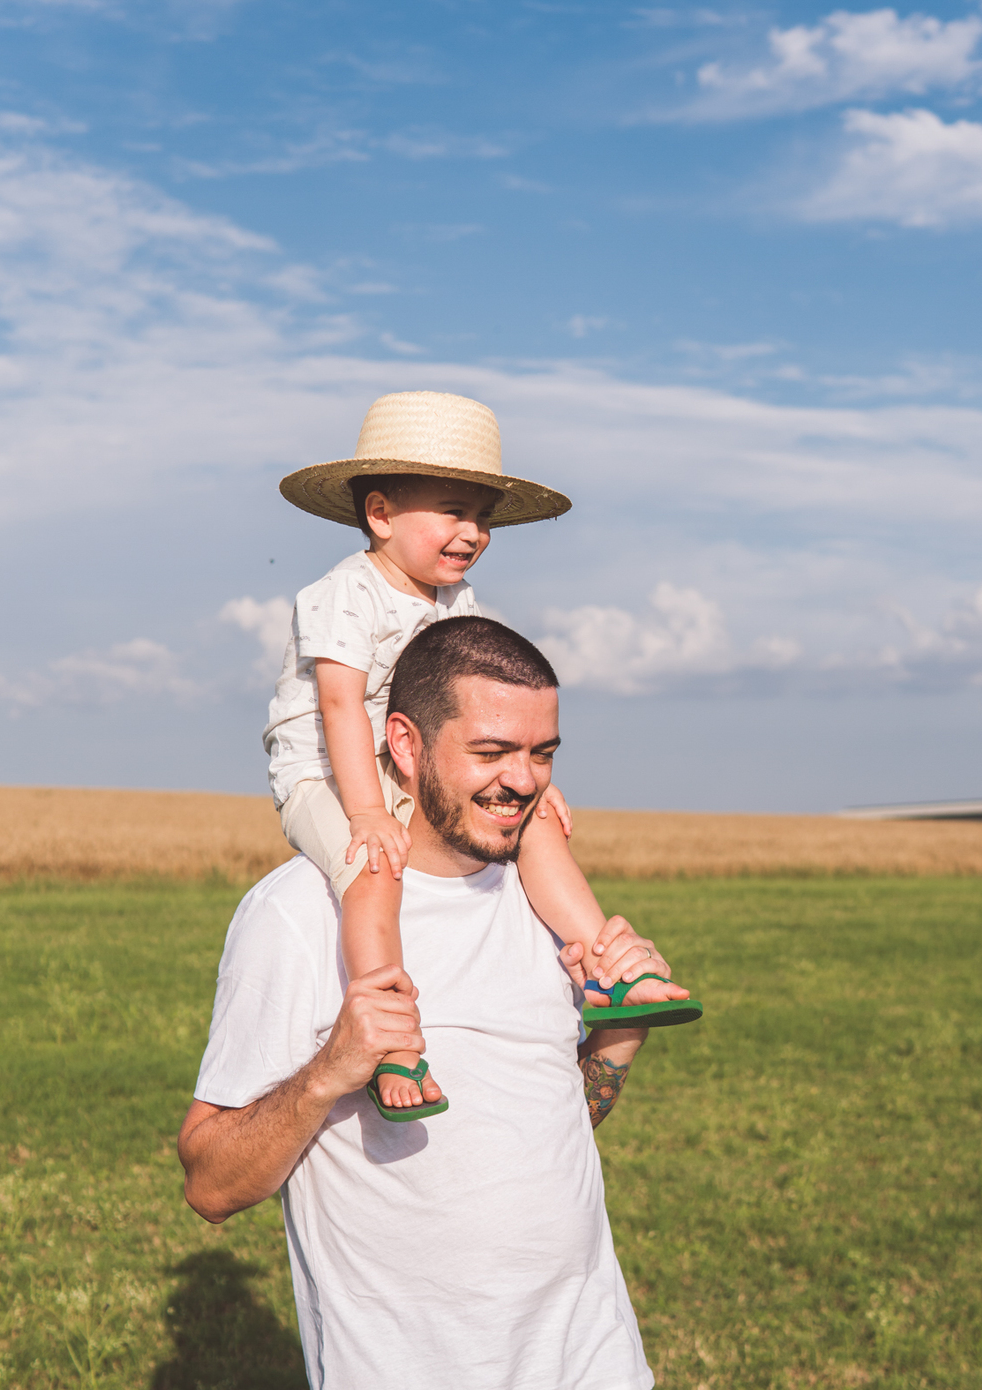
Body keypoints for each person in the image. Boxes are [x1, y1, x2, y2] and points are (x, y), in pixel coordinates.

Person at [179, 617, 680, 1390]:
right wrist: (330, 1068)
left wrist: (615, 1050)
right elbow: (211, 1178)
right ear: (402, 745)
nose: (522, 784)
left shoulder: (545, 909)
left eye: (542, 755)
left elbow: (549, 1127)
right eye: (491, 754)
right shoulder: (299, 918)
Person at [264, 388, 698, 1120]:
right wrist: (366, 812)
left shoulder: (455, 603)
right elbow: (339, 706)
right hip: (325, 772)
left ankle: (603, 969)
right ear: (379, 514)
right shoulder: (344, 594)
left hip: (407, 762)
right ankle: (391, 1038)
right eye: (453, 512)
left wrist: (518, 778)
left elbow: (478, 707)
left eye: (483, 517)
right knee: (371, 871)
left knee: (538, 831)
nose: (473, 533)